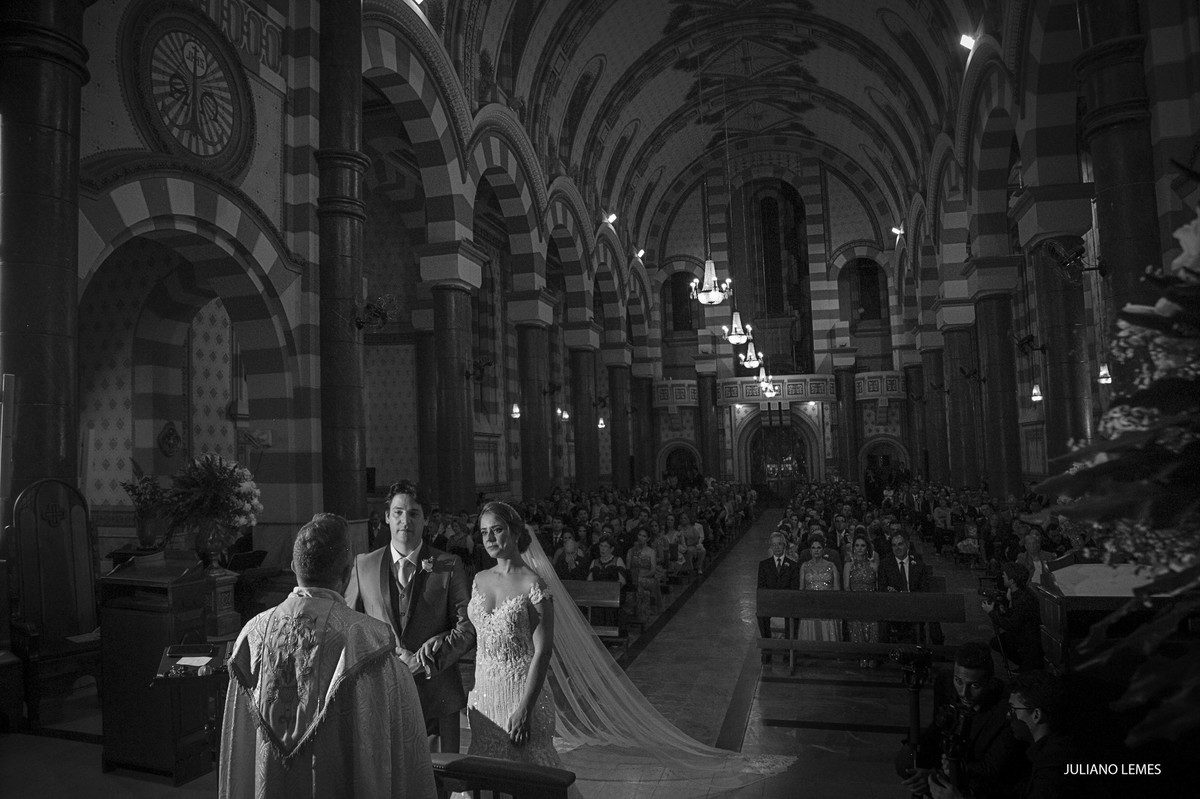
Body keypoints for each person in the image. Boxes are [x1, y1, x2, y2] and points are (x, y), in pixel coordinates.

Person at [218, 514, 436, 798]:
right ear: (347, 573)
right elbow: (401, 744)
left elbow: (240, 746)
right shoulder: (368, 640)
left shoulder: (252, 634)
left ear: (294, 566)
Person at [344, 480, 475, 753]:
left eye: (414, 513)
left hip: (438, 699)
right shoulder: (364, 565)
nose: (406, 521)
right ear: (386, 517)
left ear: (426, 519)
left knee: (438, 787)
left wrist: (422, 662)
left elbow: (467, 629)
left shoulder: (447, 565)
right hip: (380, 698)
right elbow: (349, 629)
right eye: (398, 513)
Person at [465, 501, 583, 797]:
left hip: (522, 695)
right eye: (483, 532)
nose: (489, 538)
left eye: (497, 530)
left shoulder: (535, 585)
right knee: (484, 777)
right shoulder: (479, 579)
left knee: (529, 779)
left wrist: (525, 708)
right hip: (483, 697)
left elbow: (543, 652)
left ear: (516, 532)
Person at [928, 671, 1087, 799]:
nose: (1008, 716)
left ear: (1036, 715)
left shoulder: (1054, 768)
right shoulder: (1043, 752)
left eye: (1013, 710)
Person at [902, 641, 1026, 799]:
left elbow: (993, 769)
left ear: (989, 681)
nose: (964, 693)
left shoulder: (1005, 708)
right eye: (958, 681)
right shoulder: (946, 683)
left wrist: (939, 774)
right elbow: (937, 729)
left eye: (974, 686)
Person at [983, 562, 1043, 672]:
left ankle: (1027, 666)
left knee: (997, 642)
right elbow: (1019, 614)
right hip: (1025, 633)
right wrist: (1006, 611)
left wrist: (991, 612)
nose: (1002, 576)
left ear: (1012, 580)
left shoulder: (1022, 598)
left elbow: (1011, 625)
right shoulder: (1022, 592)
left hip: (1028, 639)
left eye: (1004, 575)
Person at [757, 531, 800, 663]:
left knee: (793, 615)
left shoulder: (792, 565)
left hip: (787, 603)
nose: (777, 547)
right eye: (774, 545)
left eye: (779, 544)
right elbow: (761, 587)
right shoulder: (764, 565)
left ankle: (788, 651)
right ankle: (767, 649)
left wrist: (783, 599)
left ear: (784, 546)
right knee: (761, 614)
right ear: (770, 546)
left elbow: (794, 588)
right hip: (770, 603)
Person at [877, 530, 926, 643]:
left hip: (914, 604)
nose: (897, 548)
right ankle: (884, 653)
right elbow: (882, 587)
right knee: (883, 620)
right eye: (894, 545)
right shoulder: (885, 564)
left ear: (907, 545)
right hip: (893, 605)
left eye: (900, 544)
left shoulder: (918, 563)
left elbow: (924, 589)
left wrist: (912, 597)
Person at [843, 533, 878, 665]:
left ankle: (872, 658)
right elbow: (846, 587)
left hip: (871, 605)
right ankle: (861, 658)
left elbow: (877, 586)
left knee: (872, 631)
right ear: (853, 548)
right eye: (857, 545)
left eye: (862, 545)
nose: (859, 548)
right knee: (857, 630)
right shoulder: (848, 566)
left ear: (867, 548)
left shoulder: (873, 565)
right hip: (855, 604)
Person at [797, 538, 841, 641]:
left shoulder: (831, 566)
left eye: (819, 548)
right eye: (813, 548)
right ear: (810, 550)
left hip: (827, 604)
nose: (816, 550)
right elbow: (801, 588)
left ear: (823, 550)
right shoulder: (804, 566)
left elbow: (836, 589)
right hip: (810, 604)